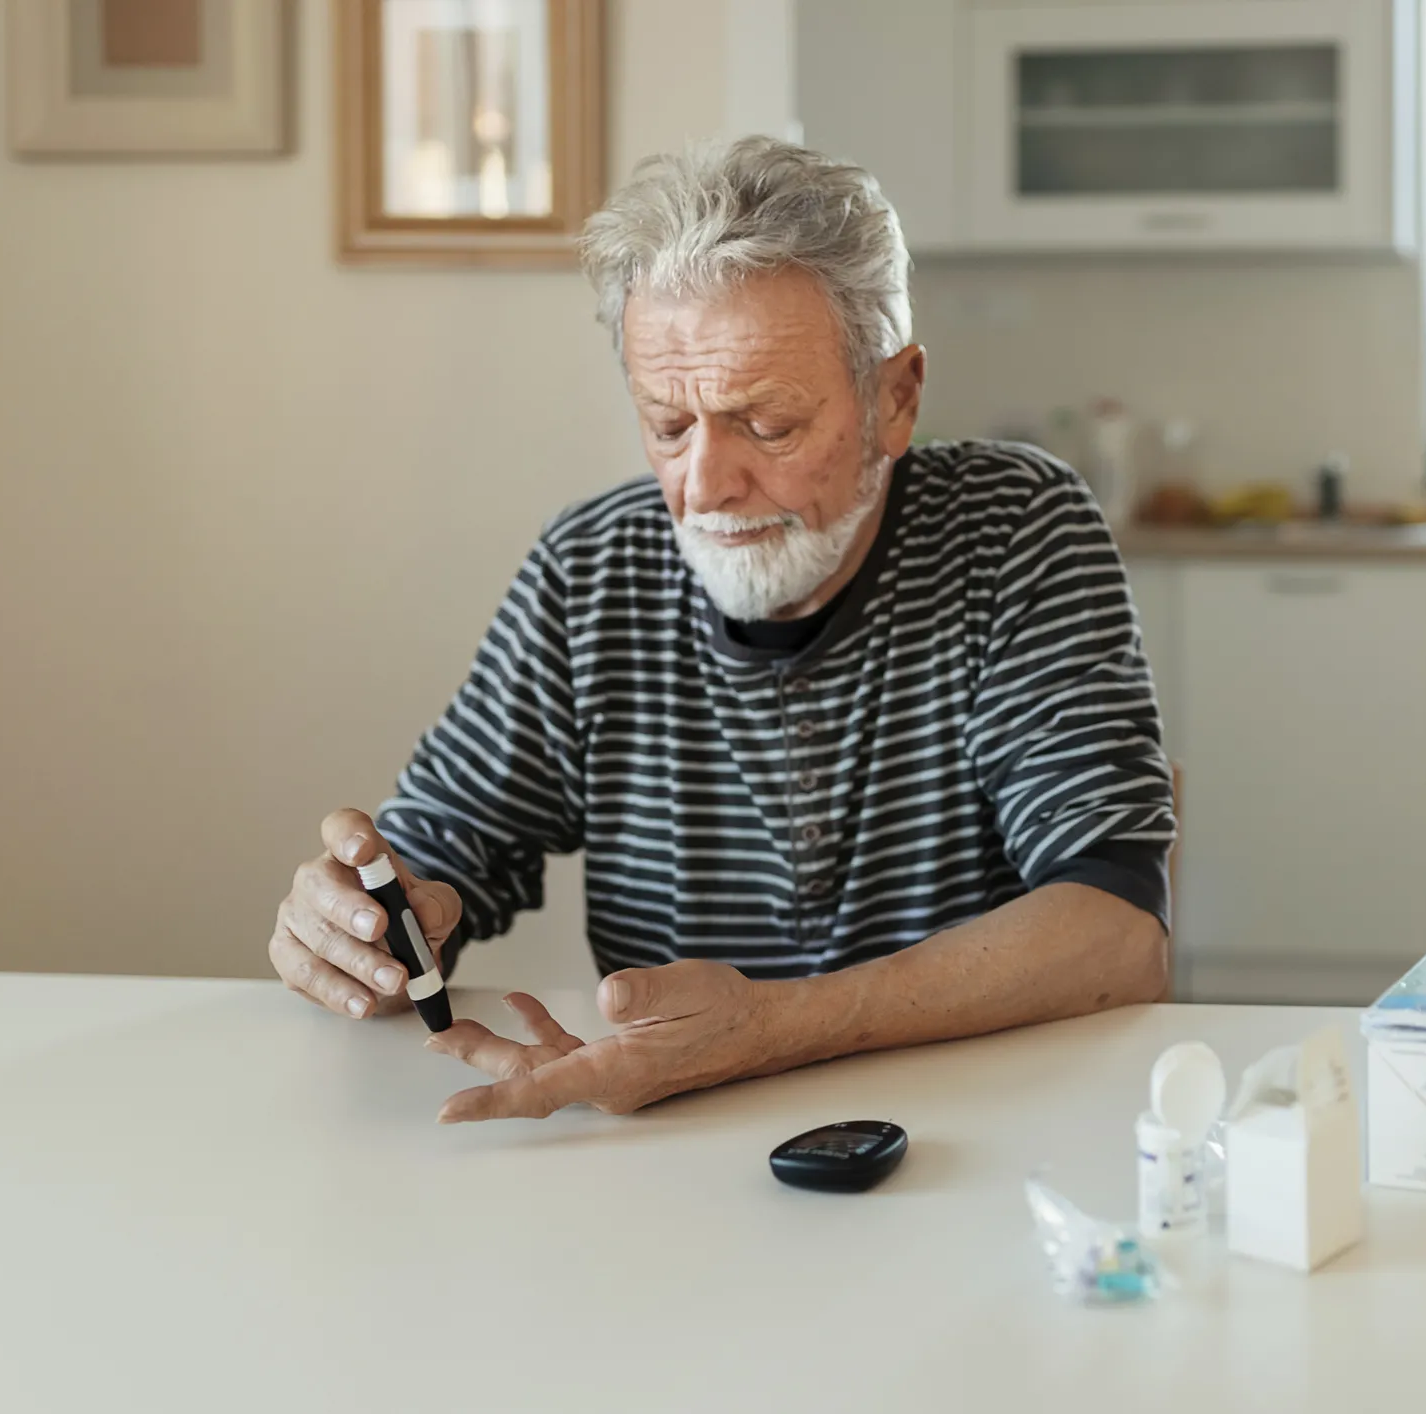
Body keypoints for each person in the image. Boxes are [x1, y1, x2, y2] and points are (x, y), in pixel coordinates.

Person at [267, 138, 1176, 1123]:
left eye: (768, 425)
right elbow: (442, 849)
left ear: (896, 398)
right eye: (667, 425)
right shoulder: (594, 566)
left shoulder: (1013, 529)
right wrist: (373, 921)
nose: (703, 488)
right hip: (671, 1153)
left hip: (987, 1128)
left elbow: (1116, 930)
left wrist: (773, 1029)